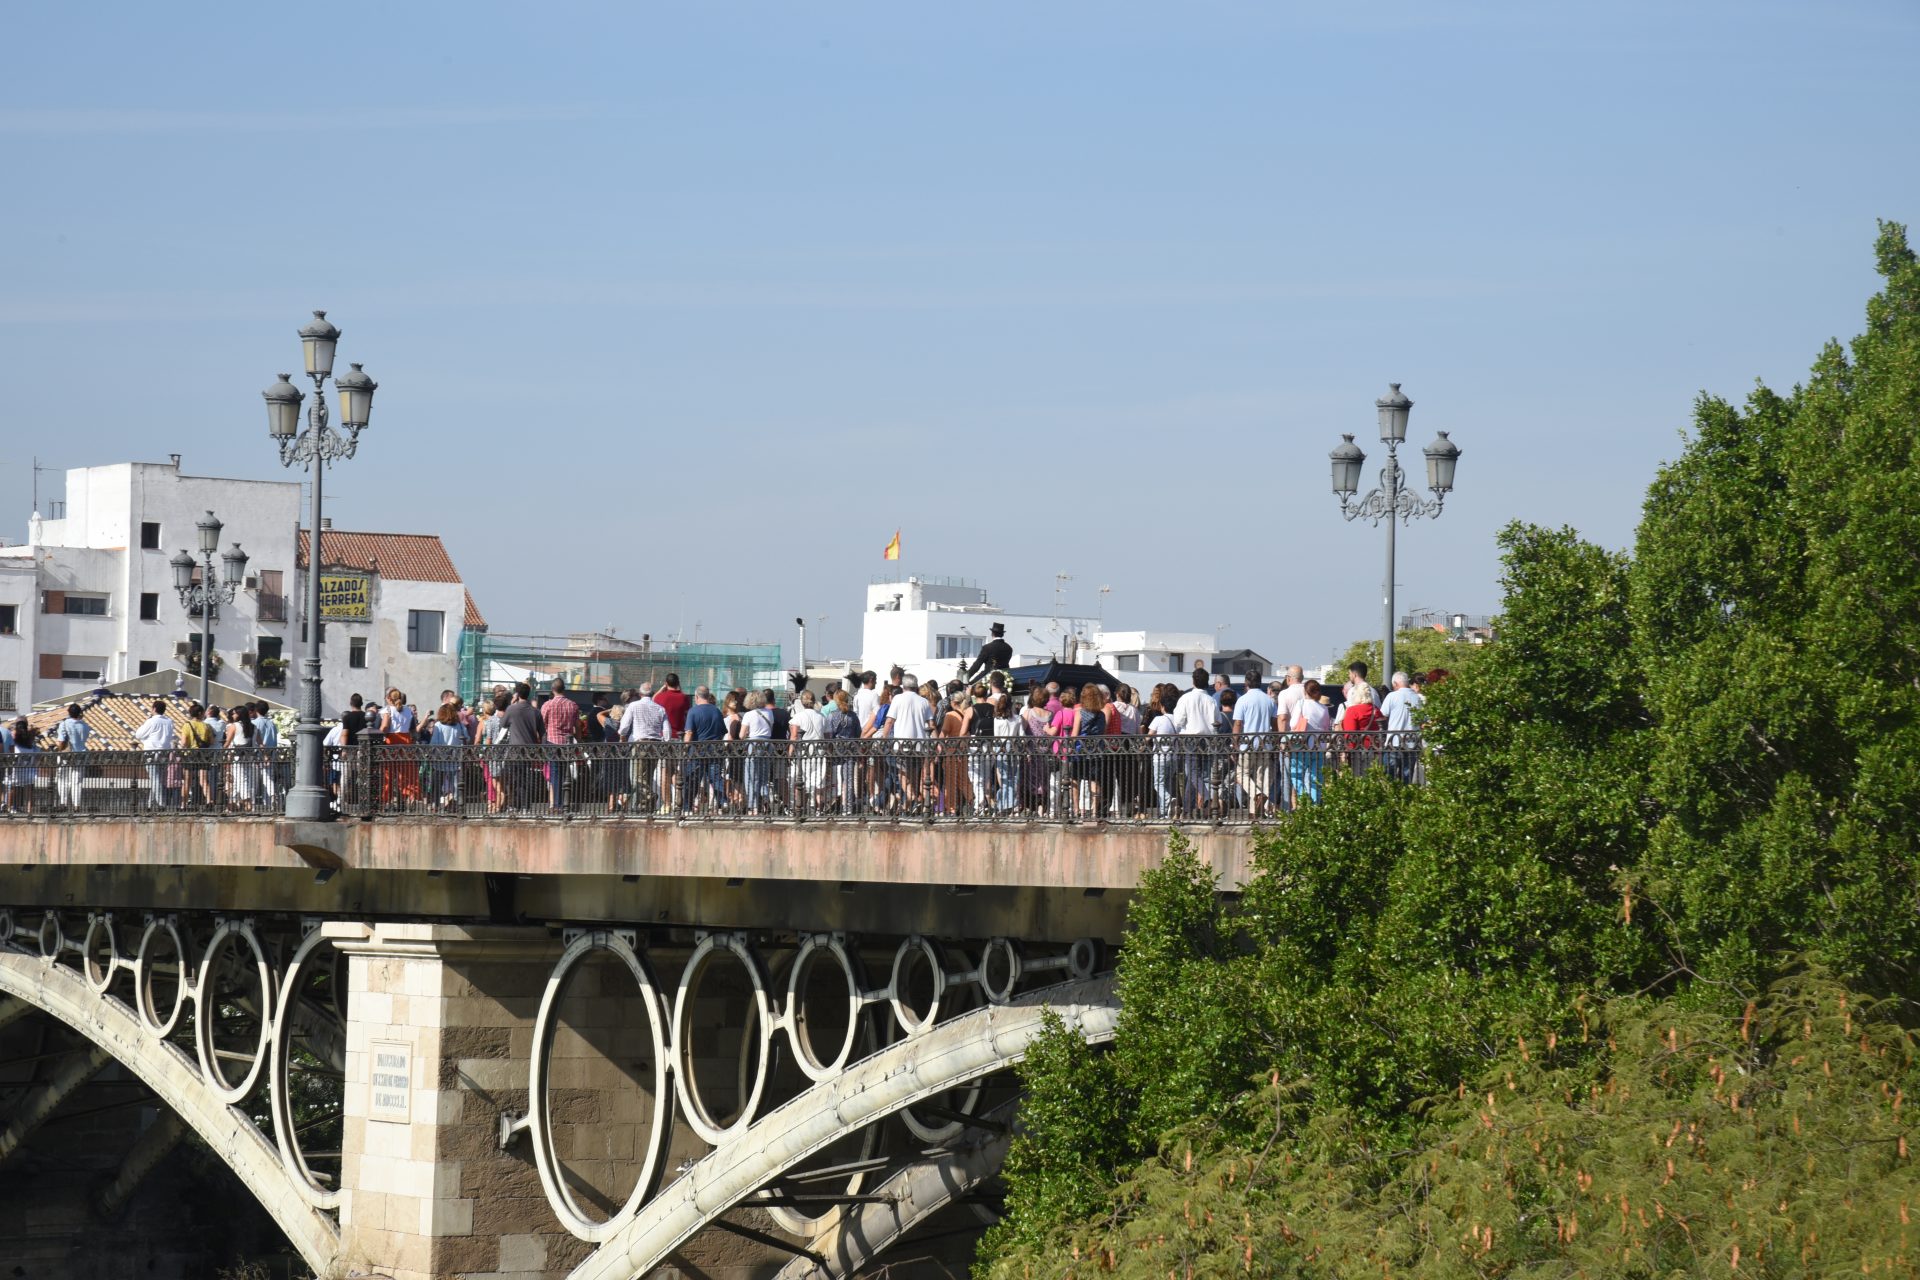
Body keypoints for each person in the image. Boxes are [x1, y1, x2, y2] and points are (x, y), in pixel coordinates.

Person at [1230, 677, 1278, 819]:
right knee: (1261, 777)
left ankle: (1256, 796)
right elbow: (1274, 723)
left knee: (1241, 773)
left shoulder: (1243, 700)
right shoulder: (1269, 700)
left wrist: (1235, 743)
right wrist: (1275, 739)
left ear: (1246, 684)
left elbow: (1238, 723)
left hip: (1247, 743)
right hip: (1265, 743)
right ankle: (1255, 812)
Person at [681, 686, 727, 813]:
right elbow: (722, 732)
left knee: (692, 779)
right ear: (708, 695)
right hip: (715, 750)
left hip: (697, 751)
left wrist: (684, 749)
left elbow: (689, 732)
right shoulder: (717, 711)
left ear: (696, 697)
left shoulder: (693, 711)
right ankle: (723, 802)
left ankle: (687, 807)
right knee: (716, 778)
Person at [1289, 679, 1333, 805]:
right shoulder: (1324, 708)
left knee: (1296, 775)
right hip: (1318, 746)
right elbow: (1326, 728)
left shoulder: (1301, 704)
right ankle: (1314, 805)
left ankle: (1304, 798)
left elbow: (1293, 724)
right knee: (1315, 779)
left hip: (1302, 746)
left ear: (1305, 691)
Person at [538, 678, 580, 811]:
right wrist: (578, 740)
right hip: (567, 743)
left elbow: (542, 724)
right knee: (565, 775)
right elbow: (577, 725)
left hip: (552, 741)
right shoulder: (572, 705)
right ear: (564, 689)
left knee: (555, 774)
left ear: (552, 689)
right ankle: (563, 802)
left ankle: (557, 804)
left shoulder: (547, 705)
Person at [1379, 671, 1425, 783]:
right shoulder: (1417, 698)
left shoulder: (1392, 696)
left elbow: (1382, 716)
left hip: (1393, 742)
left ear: (1395, 684)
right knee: (1407, 778)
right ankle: (1405, 799)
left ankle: (1390, 799)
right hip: (1411, 744)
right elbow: (1423, 721)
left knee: (1389, 778)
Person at [133, 699, 177, 810]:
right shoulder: (169, 722)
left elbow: (138, 734)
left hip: (151, 753)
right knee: (157, 778)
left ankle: (161, 803)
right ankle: (150, 804)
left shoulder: (151, 721)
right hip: (164, 753)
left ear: (154, 709)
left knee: (155, 778)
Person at [1146, 684, 1180, 819]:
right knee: (1167, 783)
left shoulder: (1158, 719)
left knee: (1158, 783)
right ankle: (1164, 813)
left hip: (1160, 757)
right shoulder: (1177, 721)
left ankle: (1167, 801)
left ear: (1163, 706)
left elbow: (1148, 737)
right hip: (1173, 756)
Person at [52, 704, 92, 811]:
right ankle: (76, 805)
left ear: (68, 712)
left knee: (63, 779)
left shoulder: (64, 724)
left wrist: (58, 749)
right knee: (77, 781)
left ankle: (63, 803)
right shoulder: (85, 726)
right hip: (81, 755)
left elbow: (61, 742)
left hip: (66, 755)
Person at [180, 702, 217, 808]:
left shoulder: (187, 725)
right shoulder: (206, 726)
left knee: (187, 781)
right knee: (204, 781)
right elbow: (212, 741)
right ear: (200, 713)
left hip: (190, 755)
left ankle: (184, 804)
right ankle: (210, 802)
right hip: (203, 755)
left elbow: (184, 743)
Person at [428, 702, 466, 809]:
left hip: (440, 758)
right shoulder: (459, 726)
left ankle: (435, 804)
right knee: (455, 784)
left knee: (437, 783)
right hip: (455, 758)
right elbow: (466, 737)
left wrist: (431, 753)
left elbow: (434, 743)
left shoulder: (438, 726)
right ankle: (456, 803)